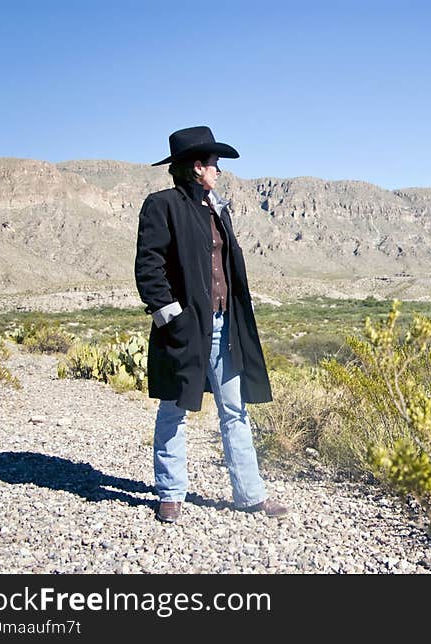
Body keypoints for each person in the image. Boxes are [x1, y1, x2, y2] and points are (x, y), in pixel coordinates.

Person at [135, 126, 287, 523]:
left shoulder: (217, 209)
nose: (219, 171)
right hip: (185, 327)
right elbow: (149, 266)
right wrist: (171, 316)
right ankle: (170, 493)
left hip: (224, 325)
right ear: (196, 167)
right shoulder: (162, 205)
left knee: (234, 409)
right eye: (214, 164)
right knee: (174, 407)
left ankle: (250, 495)